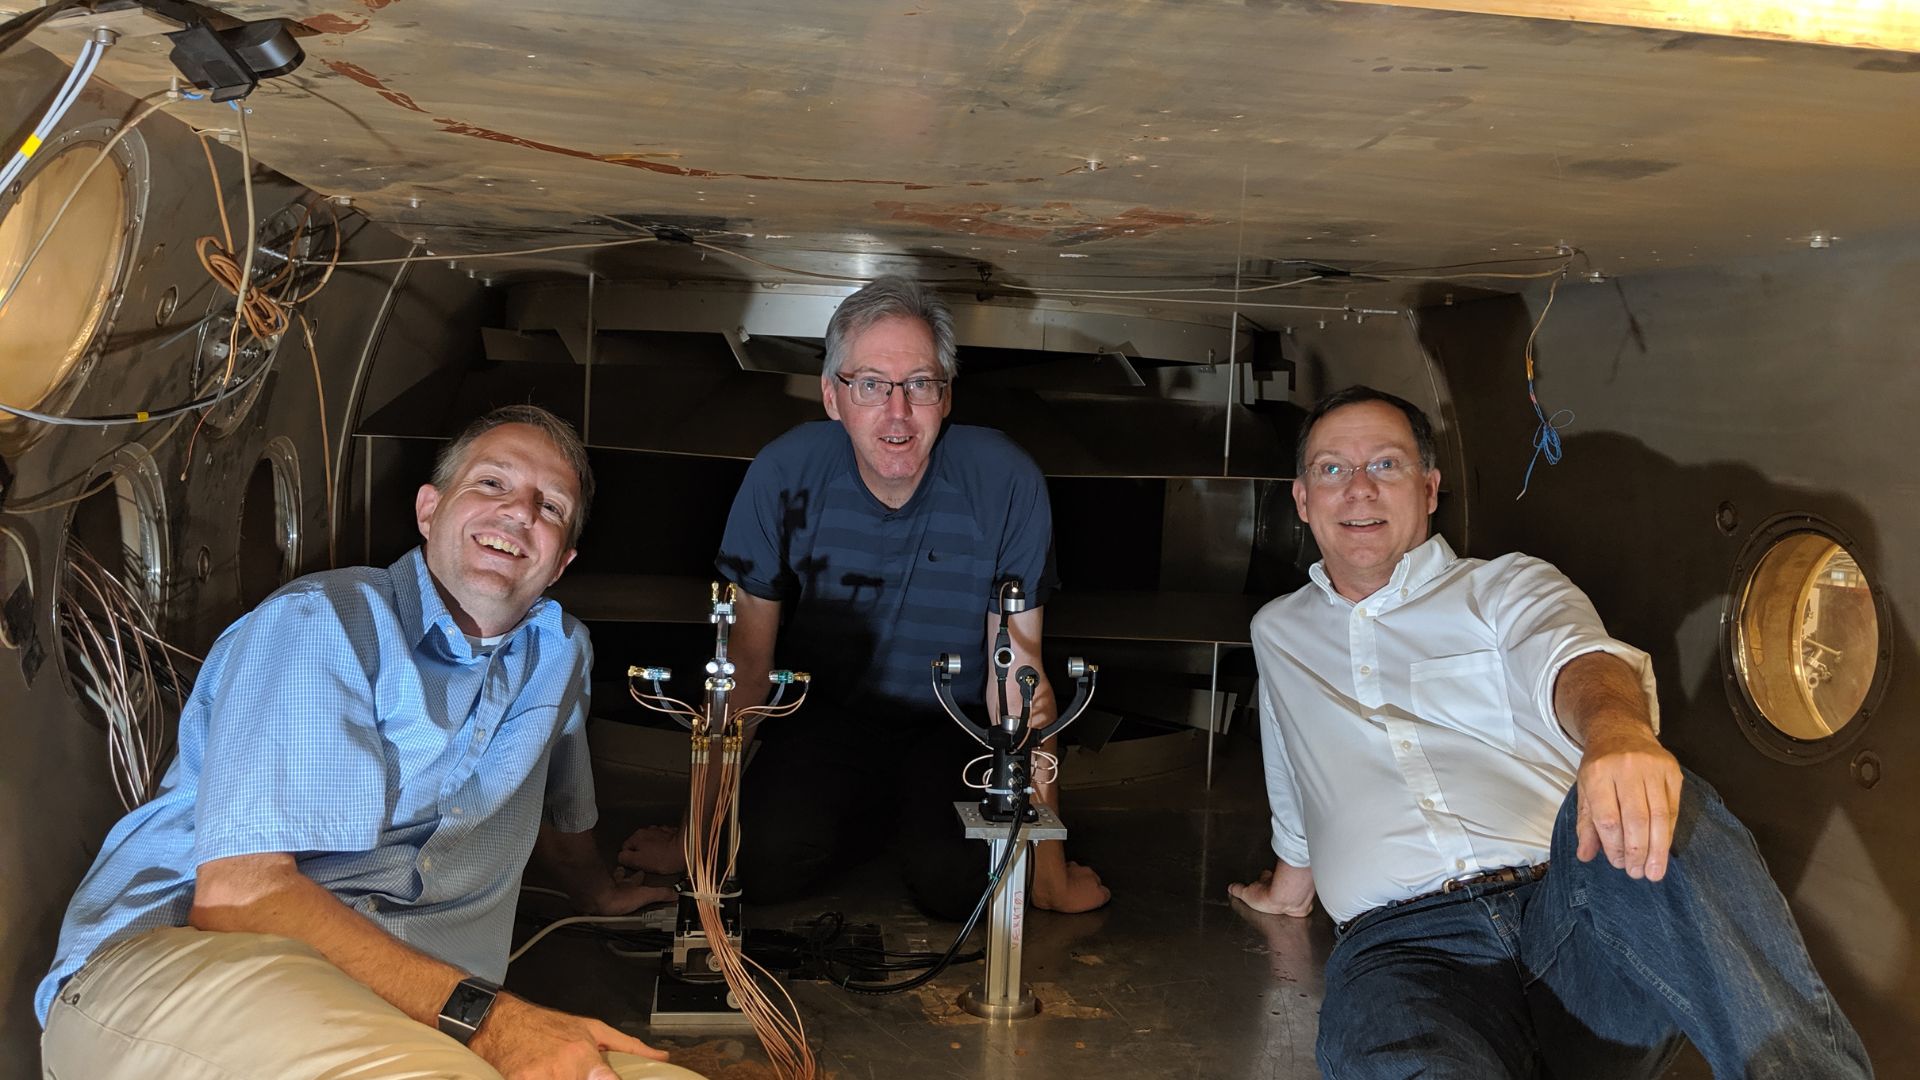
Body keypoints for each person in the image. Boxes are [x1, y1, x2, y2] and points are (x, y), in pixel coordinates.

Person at [37, 405, 702, 1080]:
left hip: (420, 1008)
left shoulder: (559, 656)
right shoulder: (326, 624)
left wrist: (597, 895)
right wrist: (492, 1019)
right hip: (186, 972)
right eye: (492, 484)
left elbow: (561, 811)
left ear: (560, 562)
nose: (519, 513)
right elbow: (241, 899)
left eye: (550, 506)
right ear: (428, 510)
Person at [1229, 386, 1871, 1078]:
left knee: (1660, 805)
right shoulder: (1278, 631)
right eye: (1332, 470)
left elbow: (1575, 658)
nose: (1358, 489)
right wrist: (1292, 884)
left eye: (1385, 465)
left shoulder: (1505, 587)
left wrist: (1617, 732)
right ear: (1301, 500)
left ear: (1430, 488)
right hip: (1405, 959)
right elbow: (1296, 760)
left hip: (1576, 923)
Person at [620, 275, 1108, 919]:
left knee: (964, 889)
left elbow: (1017, 677)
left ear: (946, 396)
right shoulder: (783, 473)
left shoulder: (1005, 480)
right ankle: (880, 818)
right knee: (758, 865)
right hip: (829, 717)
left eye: (920, 385)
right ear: (832, 396)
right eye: (871, 385)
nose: (898, 413)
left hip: (954, 724)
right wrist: (700, 840)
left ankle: (905, 823)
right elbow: (743, 663)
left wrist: (1048, 873)